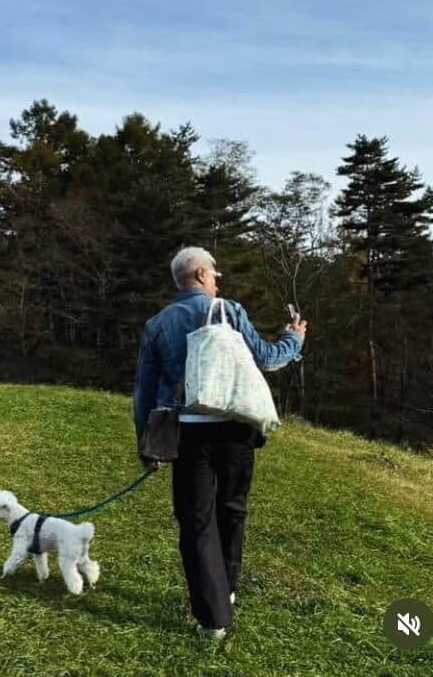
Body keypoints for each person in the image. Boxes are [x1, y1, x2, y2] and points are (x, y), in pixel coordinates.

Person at [133, 246, 307, 640]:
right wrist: (292, 338)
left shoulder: (158, 323)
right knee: (232, 511)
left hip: (190, 432)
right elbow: (267, 359)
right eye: (214, 275)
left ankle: (213, 618)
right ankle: (225, 591)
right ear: (199, 275)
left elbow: (144, 393)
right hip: (236, 429)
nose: (216, 281)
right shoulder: (230, 311)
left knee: (196, 521)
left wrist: (146, 444)